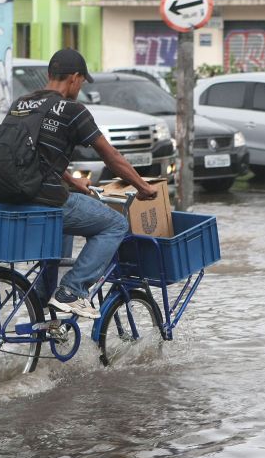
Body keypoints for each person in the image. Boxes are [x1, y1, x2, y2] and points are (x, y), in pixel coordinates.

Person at [11, 48, 158, 318]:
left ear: (49, 75)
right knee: (115, 224)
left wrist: (70, 180)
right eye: (81, 81)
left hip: (11, 197)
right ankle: (71, 290)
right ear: (75, 78)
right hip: (43, 199)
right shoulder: (73, 110)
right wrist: (142, 186)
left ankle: (44, 301)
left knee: (62, 229)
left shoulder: (22, 103)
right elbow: (111, 157)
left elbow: (36, 155)